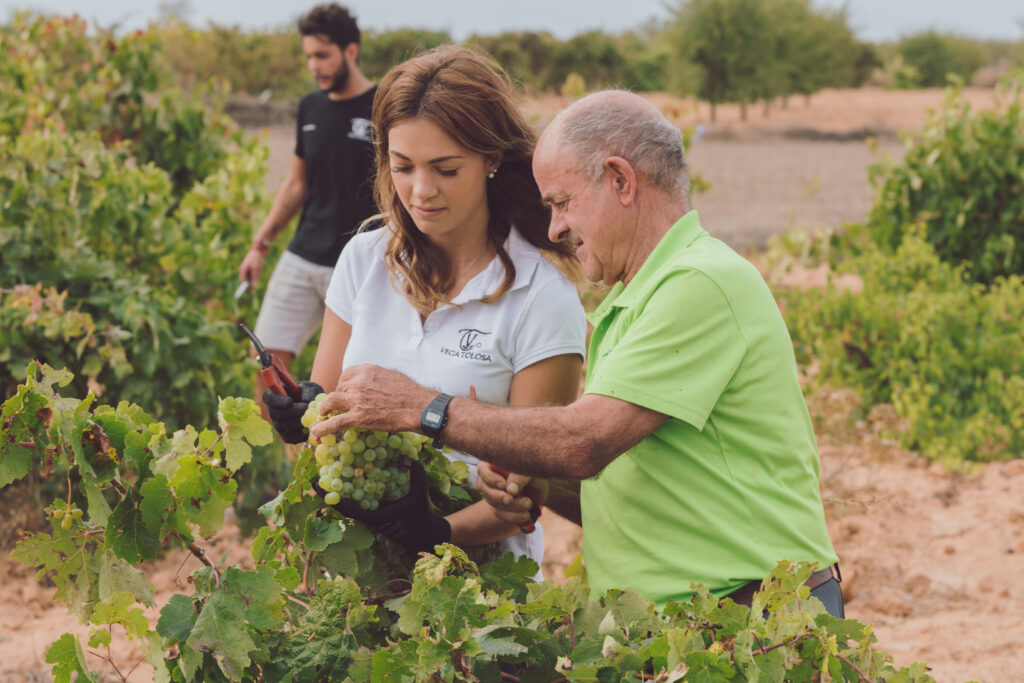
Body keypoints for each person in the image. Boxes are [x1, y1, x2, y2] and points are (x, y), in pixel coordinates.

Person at [309, 90, 844, 616]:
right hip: (691, 625)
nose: (556, 227)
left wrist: (422, 409)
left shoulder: (700, 282)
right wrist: (527, 484)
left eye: (562, 203)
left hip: (756, 623)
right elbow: (634, 480)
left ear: (620, 180)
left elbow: (585, 442)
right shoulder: (636, 300)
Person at [265, 45, 587, 571]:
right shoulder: (363, 260)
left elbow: (528, 492)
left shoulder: (540, 295)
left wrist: (435, 533)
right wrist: (304, 416)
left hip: (477, 587)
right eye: (403, 167)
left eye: (445, 169)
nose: (421, 190)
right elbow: (326, 413)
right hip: (354, 573)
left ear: (491, 159)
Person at [239, 3, 377, 422]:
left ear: (350, 51)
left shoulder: (383, 106)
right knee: (266, 360)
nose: (313, 65)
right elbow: (297, 183)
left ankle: (320, 471)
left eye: (322, 55)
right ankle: (290, 464)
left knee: (335, 387)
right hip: (303, 253)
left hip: (356, 265)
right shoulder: (310, 108)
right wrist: (259, 244)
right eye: (308, 57)